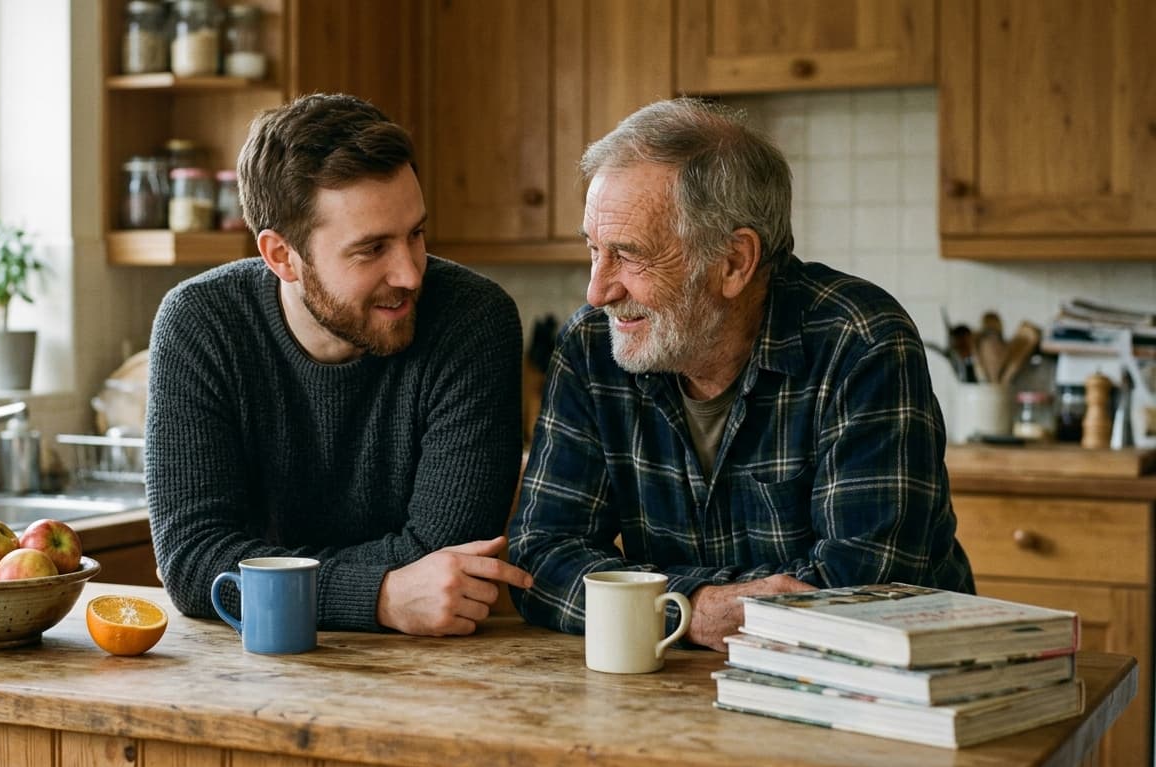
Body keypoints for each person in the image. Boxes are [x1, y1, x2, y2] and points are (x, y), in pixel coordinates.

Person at [508, 97, 973, 650]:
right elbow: (539, 556)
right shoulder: (592, 345)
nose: (597, 290)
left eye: (629, 256)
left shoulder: (861, 341)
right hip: (679, 688)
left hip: (889, 693)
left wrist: (644, 603)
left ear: (733, 262)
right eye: (594, 250)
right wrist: (690, 607)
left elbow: (862, 594)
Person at [147, 93, 532, 636]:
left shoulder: (473, 320)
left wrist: (272, 575)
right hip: (251, 670)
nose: (410, 274)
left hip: (431, 675)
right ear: (281, 256)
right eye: (371, 249)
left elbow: (448, 559)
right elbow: (192, 561)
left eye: (416, 234)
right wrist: (380, 596)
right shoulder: (201, 323)